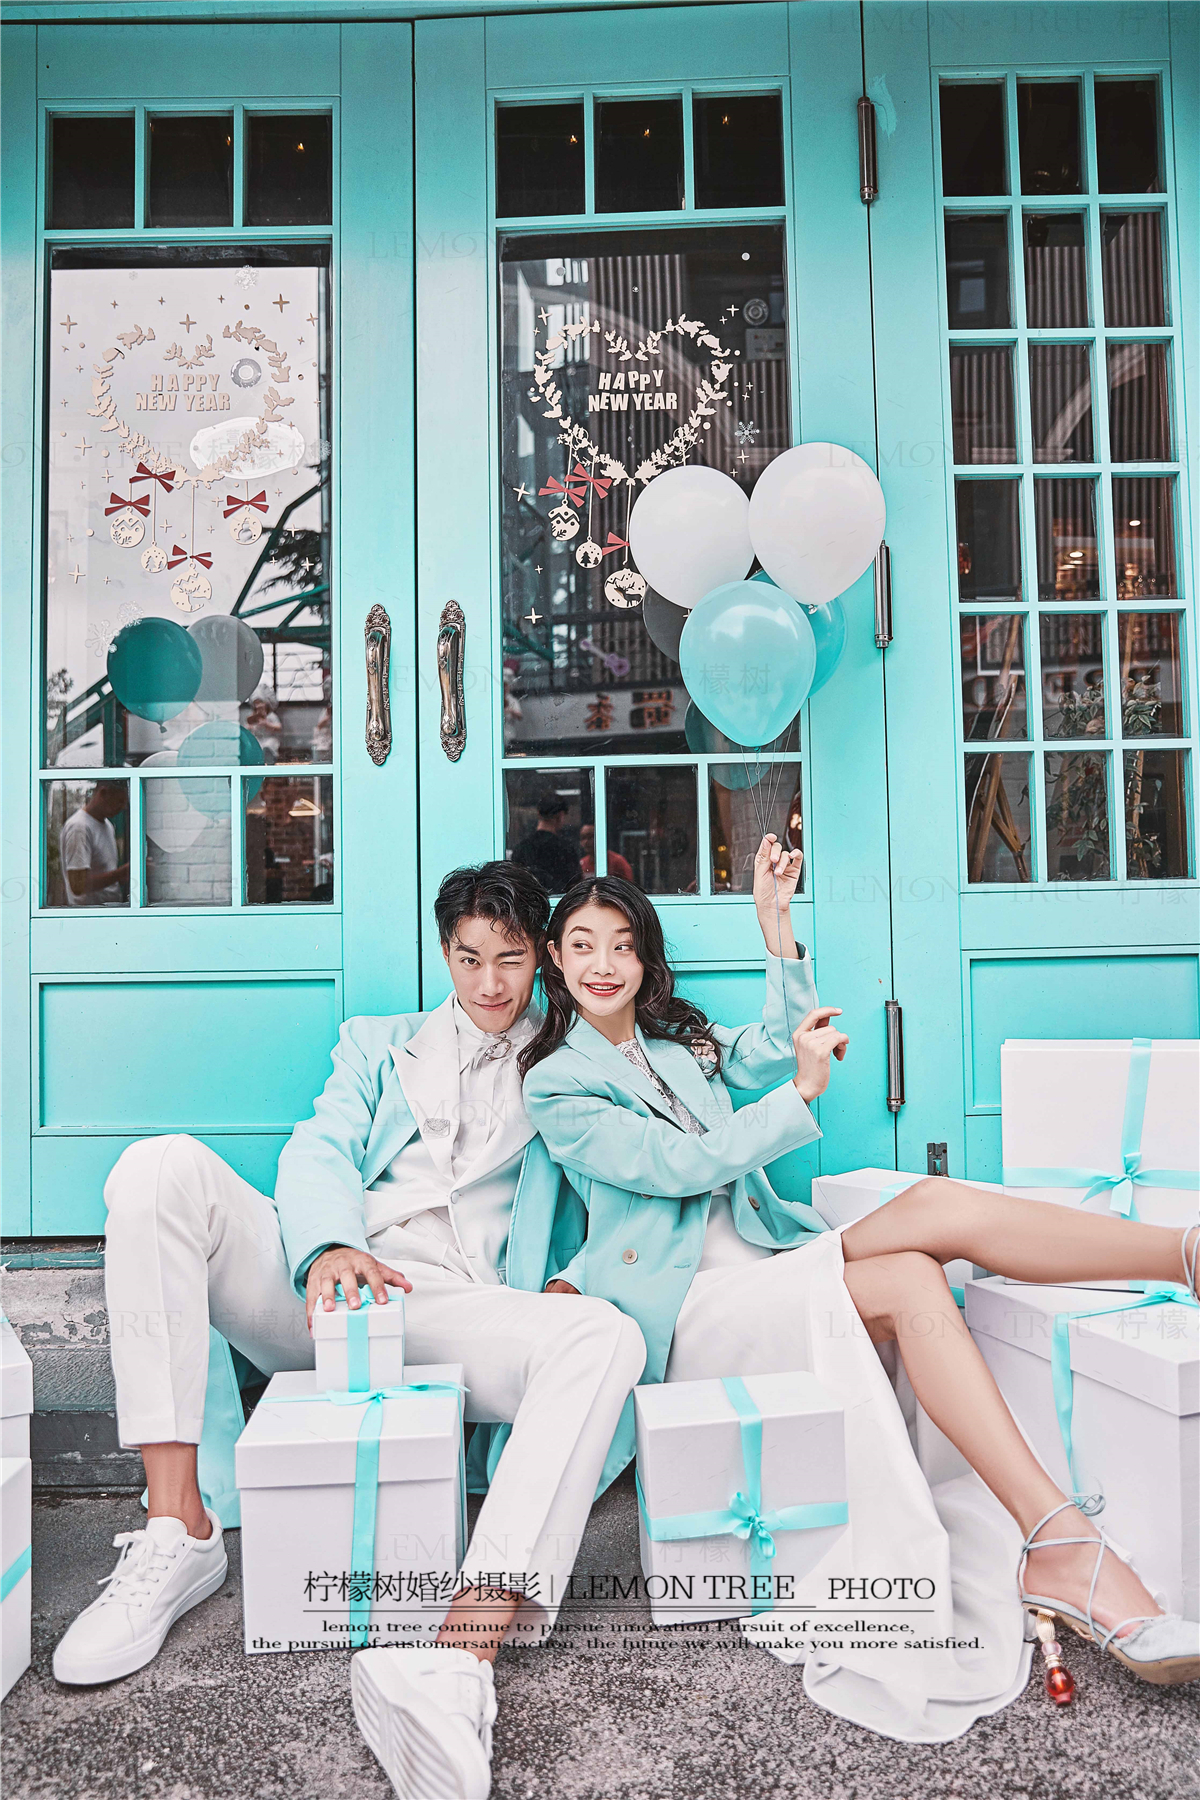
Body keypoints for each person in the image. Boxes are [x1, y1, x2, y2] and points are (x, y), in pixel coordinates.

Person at [520, 839, 1200, 1741]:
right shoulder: (556, 1082)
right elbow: (675, 1165)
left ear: (645, 960)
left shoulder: (678, 1047)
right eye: (581, 946)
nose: (603, 964)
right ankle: (1167, 1291)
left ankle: (1063, 1530)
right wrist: (800, 1094)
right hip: (691, 1311)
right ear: (555, 960)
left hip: (766, 1264)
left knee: (923, 1253)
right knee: (929, 1219)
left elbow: (772, 1047)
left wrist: (776, 926)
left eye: (622, 945)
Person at [53, 861, 645, 1800]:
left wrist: (579, 1275)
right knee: (160, 1168)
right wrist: (330, 1243)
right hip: (331, 1291)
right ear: (445, 953)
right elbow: (320, 1146)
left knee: (607, 1336)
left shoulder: (576, 1062)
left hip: (454, 1311)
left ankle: (456, 1657)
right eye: (469, 959)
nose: (489, 983)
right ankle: (178, 1529)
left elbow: (632, 1196)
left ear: (542, 956)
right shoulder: (376, 1043)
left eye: (510, 959)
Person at [59, 780, 129, 906]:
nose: (123, 807)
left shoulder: (107, 825)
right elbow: (78, 886)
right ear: (103, 793)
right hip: (88, 913)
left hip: (107, 911)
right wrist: (121, 873)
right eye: (120, 801)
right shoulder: (79, 827)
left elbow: (106, 872)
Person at [510, 791, 582, 894]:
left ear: (538, 814)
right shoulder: (565, 848)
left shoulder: (521, 848)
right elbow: (575, 883)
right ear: (561, 815)